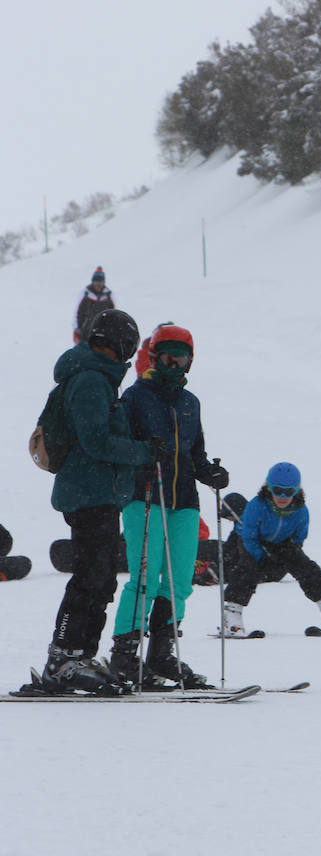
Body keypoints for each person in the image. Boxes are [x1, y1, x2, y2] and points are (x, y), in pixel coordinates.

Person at [37, 308, 154, 694]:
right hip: (88, 493)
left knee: (100, 578)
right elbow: (95, 441)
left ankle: (78, 656)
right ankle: (64, 658)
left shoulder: (97, 378)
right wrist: (142, 452)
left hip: (97, 492)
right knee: (91, 577)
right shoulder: (90, 380)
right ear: (120, 344)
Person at [107, 324, 228, 687]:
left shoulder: (191, 403)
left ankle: (161, 654)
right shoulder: (136, 395)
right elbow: (119, 443)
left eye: (182, 356)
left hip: (184, 502)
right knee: (144, 578)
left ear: (191, 361)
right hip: (145, 496)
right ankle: (125, 655)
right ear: (155, 356)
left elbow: (195, 453)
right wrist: (144, 455)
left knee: (178, 583)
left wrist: (210, 473)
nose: (175, 362)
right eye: (168, 355)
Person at [220, 462, 321, 635]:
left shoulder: (301, 511)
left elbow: (300, 536)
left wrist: (290, 550)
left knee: (308, 569)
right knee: (246, 572)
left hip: (284, 544)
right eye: (277, 490)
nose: (282, 496)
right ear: (269, 488)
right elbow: (248, 536)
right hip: (254, 544)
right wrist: (259, 555)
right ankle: (232, 618)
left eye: (288, 492)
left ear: (296, 491)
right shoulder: (256, 506)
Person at [73, 267, 115, 343]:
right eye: (96, 282)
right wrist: (77, 330)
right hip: (86, 332)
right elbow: (78, 313)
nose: (98, 285)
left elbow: (113, 315)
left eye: (100, 283)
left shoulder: (108, 296)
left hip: (103, 332)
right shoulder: (86, 295)